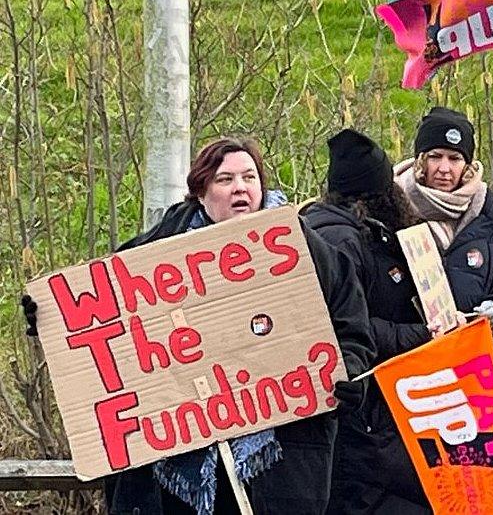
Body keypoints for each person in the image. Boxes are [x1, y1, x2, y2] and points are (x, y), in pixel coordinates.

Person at [20, 137, 375, 515]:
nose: (241, 188)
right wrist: (48, 317)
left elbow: (353, 334)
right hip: (178, 477)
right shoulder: (149, 258)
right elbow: (97, 323)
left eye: (250, 177)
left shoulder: (306, 249)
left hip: (281, 467)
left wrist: (350, 375)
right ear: (200, 193)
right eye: (225, 180)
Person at [301, 128, 433, 514]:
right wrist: (422, 334)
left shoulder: (350, 230)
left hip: (370, 405)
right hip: (362, 403)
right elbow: (349, 323)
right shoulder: (344, 242)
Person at [393, 106, 493, 380]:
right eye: (435, 157)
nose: (444, 169)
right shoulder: (392, 207)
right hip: (409, 360)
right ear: (420, 160)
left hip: (472, 365)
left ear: (466, 165)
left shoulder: (491, 214)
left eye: (454, 158)